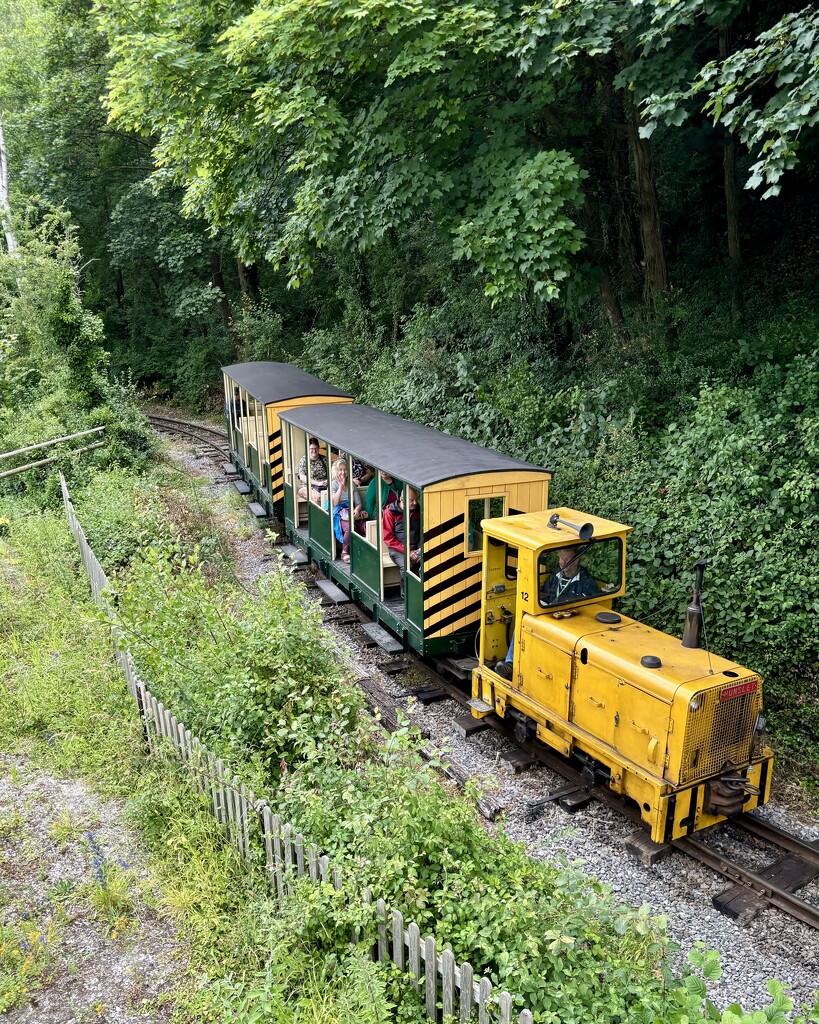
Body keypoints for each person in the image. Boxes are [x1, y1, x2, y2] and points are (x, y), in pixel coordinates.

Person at [495, 547, 598, 680]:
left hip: (569, 621)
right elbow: (545, 594)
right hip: (549, 615)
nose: (562, 561)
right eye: (561, 557)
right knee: (523, 623)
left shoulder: (586, 582)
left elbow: (588, 607)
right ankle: (511, 663)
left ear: (576, 560)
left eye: (567, 558)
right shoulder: (556, 575)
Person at [382, 488, 421, 591]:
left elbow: (423, 532)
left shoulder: (418, 510)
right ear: (402, 499)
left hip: (417, 547)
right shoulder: (390, 512)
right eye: (411, 500)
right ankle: (406, 593)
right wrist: (408, 551)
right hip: (397, 549)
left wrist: (419, 550)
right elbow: (388, 538)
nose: (415, 503)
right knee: (407, 566)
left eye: (416, 499)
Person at [331, 457, 366, 562]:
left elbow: (359, 503)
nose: (343, 472)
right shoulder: (333, 484)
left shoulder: (352, 484)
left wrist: (357, 510)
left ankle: (362, 551)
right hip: (339, 513)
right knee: (351, 527)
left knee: (365, 527)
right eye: (340, 470)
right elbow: (334, 503)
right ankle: (344, 552)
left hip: (351, 511)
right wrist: (341, 487)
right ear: (336, 472)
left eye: (345, 469)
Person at [297, 437, 328, 503]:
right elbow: (303, 477)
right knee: (318, 498)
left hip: (323, 487)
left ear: (318, 448)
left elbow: (332, 474)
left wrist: (327, 481)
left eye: (316, 448)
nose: (314, 451)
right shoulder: (304, 460)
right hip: (306, 487)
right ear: (308, 449)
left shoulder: (324, 459)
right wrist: (318, 483)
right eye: (311, 449)